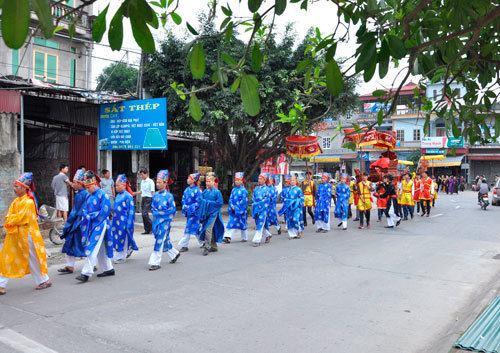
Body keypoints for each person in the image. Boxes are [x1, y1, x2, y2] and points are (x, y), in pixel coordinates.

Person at [0, 172, 51, 295]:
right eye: (14, 186)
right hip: (15, 234)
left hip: (27, 235)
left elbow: (20, 218)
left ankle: (44, 280)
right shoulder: (16, 201)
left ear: (24, 188)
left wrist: (11, 219)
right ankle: (1, 284)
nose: (14, 188)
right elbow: (10, 215)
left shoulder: (28, 202)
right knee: (6, 257)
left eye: (17, 186)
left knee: (33, 258)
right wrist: (11, 219)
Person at [75, 171, 115, 283]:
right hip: (91, 224)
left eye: (88, 187)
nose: (87, 189)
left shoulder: (103, 194)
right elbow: (85, 209)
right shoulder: (88, 195)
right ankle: (108, 268)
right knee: (101, 248)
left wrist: (91, 215)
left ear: (94, 184)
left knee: (91, 247)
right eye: (86, 187)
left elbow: (105, 211)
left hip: (101, 224)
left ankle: (86, 273)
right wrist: (86, 214)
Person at [58, 169, 88, 274]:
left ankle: (90, 265)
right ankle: (70, 266)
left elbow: (79, 211)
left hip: (79, 224)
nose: (73, 184)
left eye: (75, 183)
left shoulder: (84, 194)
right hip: (75, 223)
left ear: (80, 184)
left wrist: (72, 221)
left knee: (82, 245)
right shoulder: (79, 193)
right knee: (70, 243)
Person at [148, 170, 180, 270]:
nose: (157, 184)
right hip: (156, 221)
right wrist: (156, 212)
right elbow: (153, 207)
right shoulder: (155, 195)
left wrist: (160, 213)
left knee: (159, 240)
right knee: (163, 239)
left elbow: (172, 210)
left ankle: (155, 262)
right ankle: (174, 254)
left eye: (159, 182)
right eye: (156, 182)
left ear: (165, 183)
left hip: (165, 222)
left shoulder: (169, 196)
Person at [111, 174, 138, 263]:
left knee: (123, 238)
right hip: (116, 221)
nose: (116, 187)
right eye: (116, 185)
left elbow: (131, 211)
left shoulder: (128, 196)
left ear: (124, 185)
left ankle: (120, 257)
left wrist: (129, 223)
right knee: (118, 237)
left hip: (124, 221)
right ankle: (127, 250)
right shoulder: (118, 196)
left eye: (118, 185)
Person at [199, 173, 224, 255]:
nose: (207, 183)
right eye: (206, 181)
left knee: (208, 229)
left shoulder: (217, 192)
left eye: (209, 181)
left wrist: (208, 203)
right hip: (206, 213)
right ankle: (214, 246)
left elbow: (220, 203)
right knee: (211, 229)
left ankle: (207, 247)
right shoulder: (204, 192)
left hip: (214, 213)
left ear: (213, 182)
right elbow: (201, 202)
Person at [178, 173, 202, 252]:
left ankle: (184, 245)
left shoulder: (198, 190)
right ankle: (203, 242)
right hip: (189, 212)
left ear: (194, 180)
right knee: (195, 228)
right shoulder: (186, 189)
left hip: (195, 213)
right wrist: (185, 207)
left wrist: (190, 207)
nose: (187, 180)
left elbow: (199, 202)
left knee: (188, 228)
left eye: (189, 178)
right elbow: (183, 199)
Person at [223, 172, 248, 243]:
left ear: (242, 181)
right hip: (233, 211)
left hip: (240, 210)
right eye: (236, 180)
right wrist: (232, 206)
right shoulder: (233, 190)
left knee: (242, 223)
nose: (237, 181)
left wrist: (237, 207)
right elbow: (230, 199)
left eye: (238, 180)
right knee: (231, 222)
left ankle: (244, 237)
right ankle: (227, 237)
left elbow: (244, 201)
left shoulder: (244, 191)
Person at [279, 175, 304, 239]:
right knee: (290, 220)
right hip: (289, 208)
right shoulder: (287, 190)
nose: (292, 182)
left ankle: (299, 230)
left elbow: (301, 199)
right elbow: (284, 198)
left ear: (296, 181)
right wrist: (288, 202)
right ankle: (292, 234)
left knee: (295, 219)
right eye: (291, 180)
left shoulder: (298, 189)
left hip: (296, 207)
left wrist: (296, 202)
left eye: (293, 180)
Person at [252, 173, 272, 247]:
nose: (259, 180)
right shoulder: (256, 188)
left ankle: (257, 240)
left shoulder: (267, 189)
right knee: (258, 224)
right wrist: (255, 203)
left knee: (260, 224)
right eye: (258, 179)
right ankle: (268, 235)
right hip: (256, 208)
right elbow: (253, 197)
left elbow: (267, 200)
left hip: (263, 209)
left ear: (264, 180)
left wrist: (259, 204)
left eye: (261, 179)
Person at [134, 168, 155, 235]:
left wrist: (154, 200)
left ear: (146, 174)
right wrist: (135, 193)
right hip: (143, 198)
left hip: (149, 198)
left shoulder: (150, 181)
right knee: (143, 215)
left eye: (142, 174)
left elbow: (152, 191)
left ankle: (152, 226)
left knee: (144, 214)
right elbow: (141, 191)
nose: (141, 176)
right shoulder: (142, 182)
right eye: (140, 175)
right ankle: (147, 230)